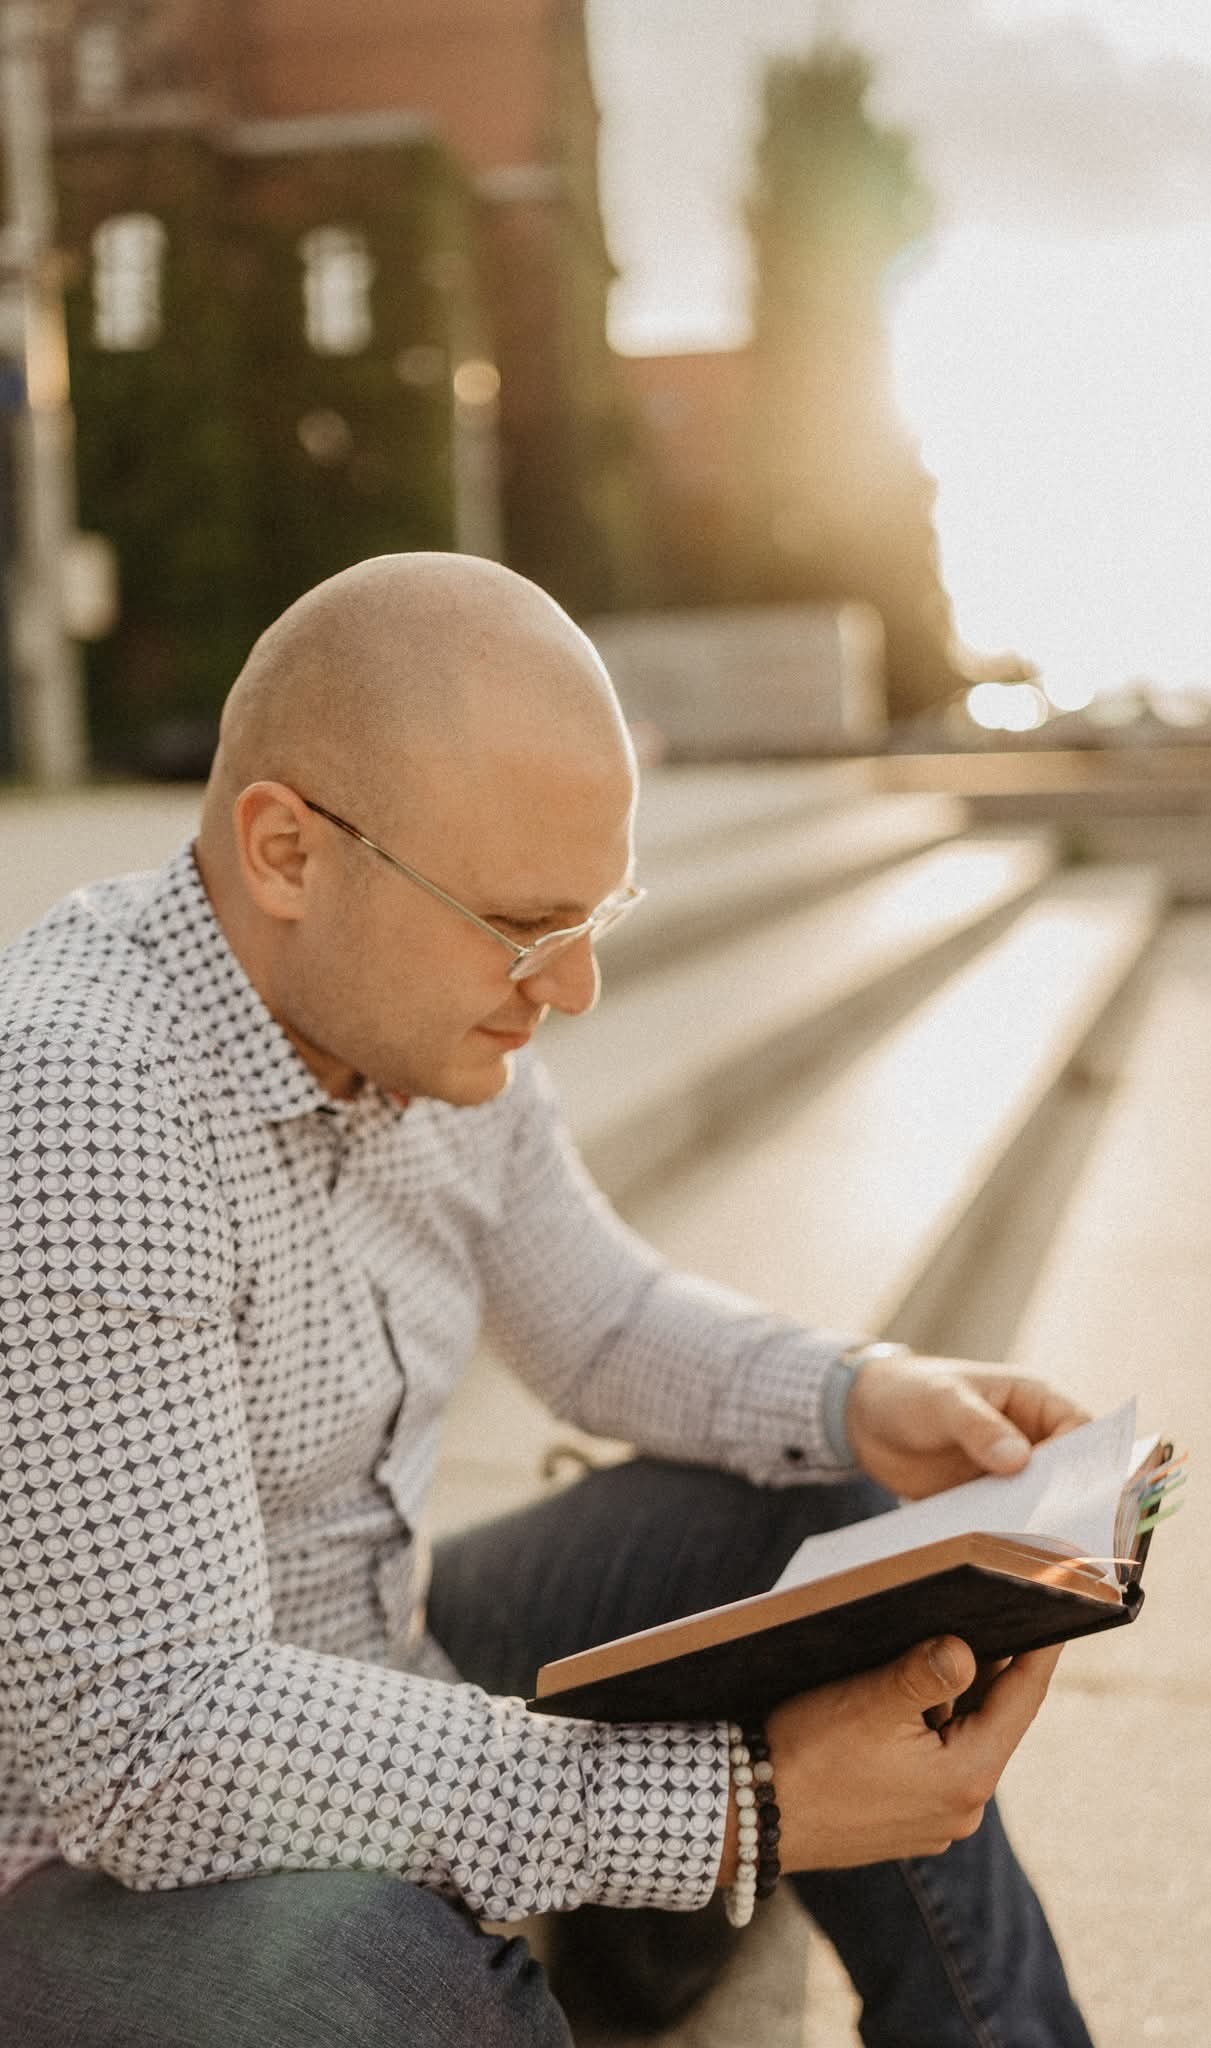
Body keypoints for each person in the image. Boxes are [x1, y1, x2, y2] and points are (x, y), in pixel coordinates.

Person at [0, 553, 1094, 2046]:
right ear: (285, 853)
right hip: (78, 1856)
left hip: (383, 1653)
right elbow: (149, 1742)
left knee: (826, 1515)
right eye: (524, 925)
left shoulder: (429, 1020)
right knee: (381, 1976)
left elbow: (597, 1322)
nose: (570, 987)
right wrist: (734, 1808)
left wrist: (863, 1390)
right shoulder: (87, 1102)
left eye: (595, 917)